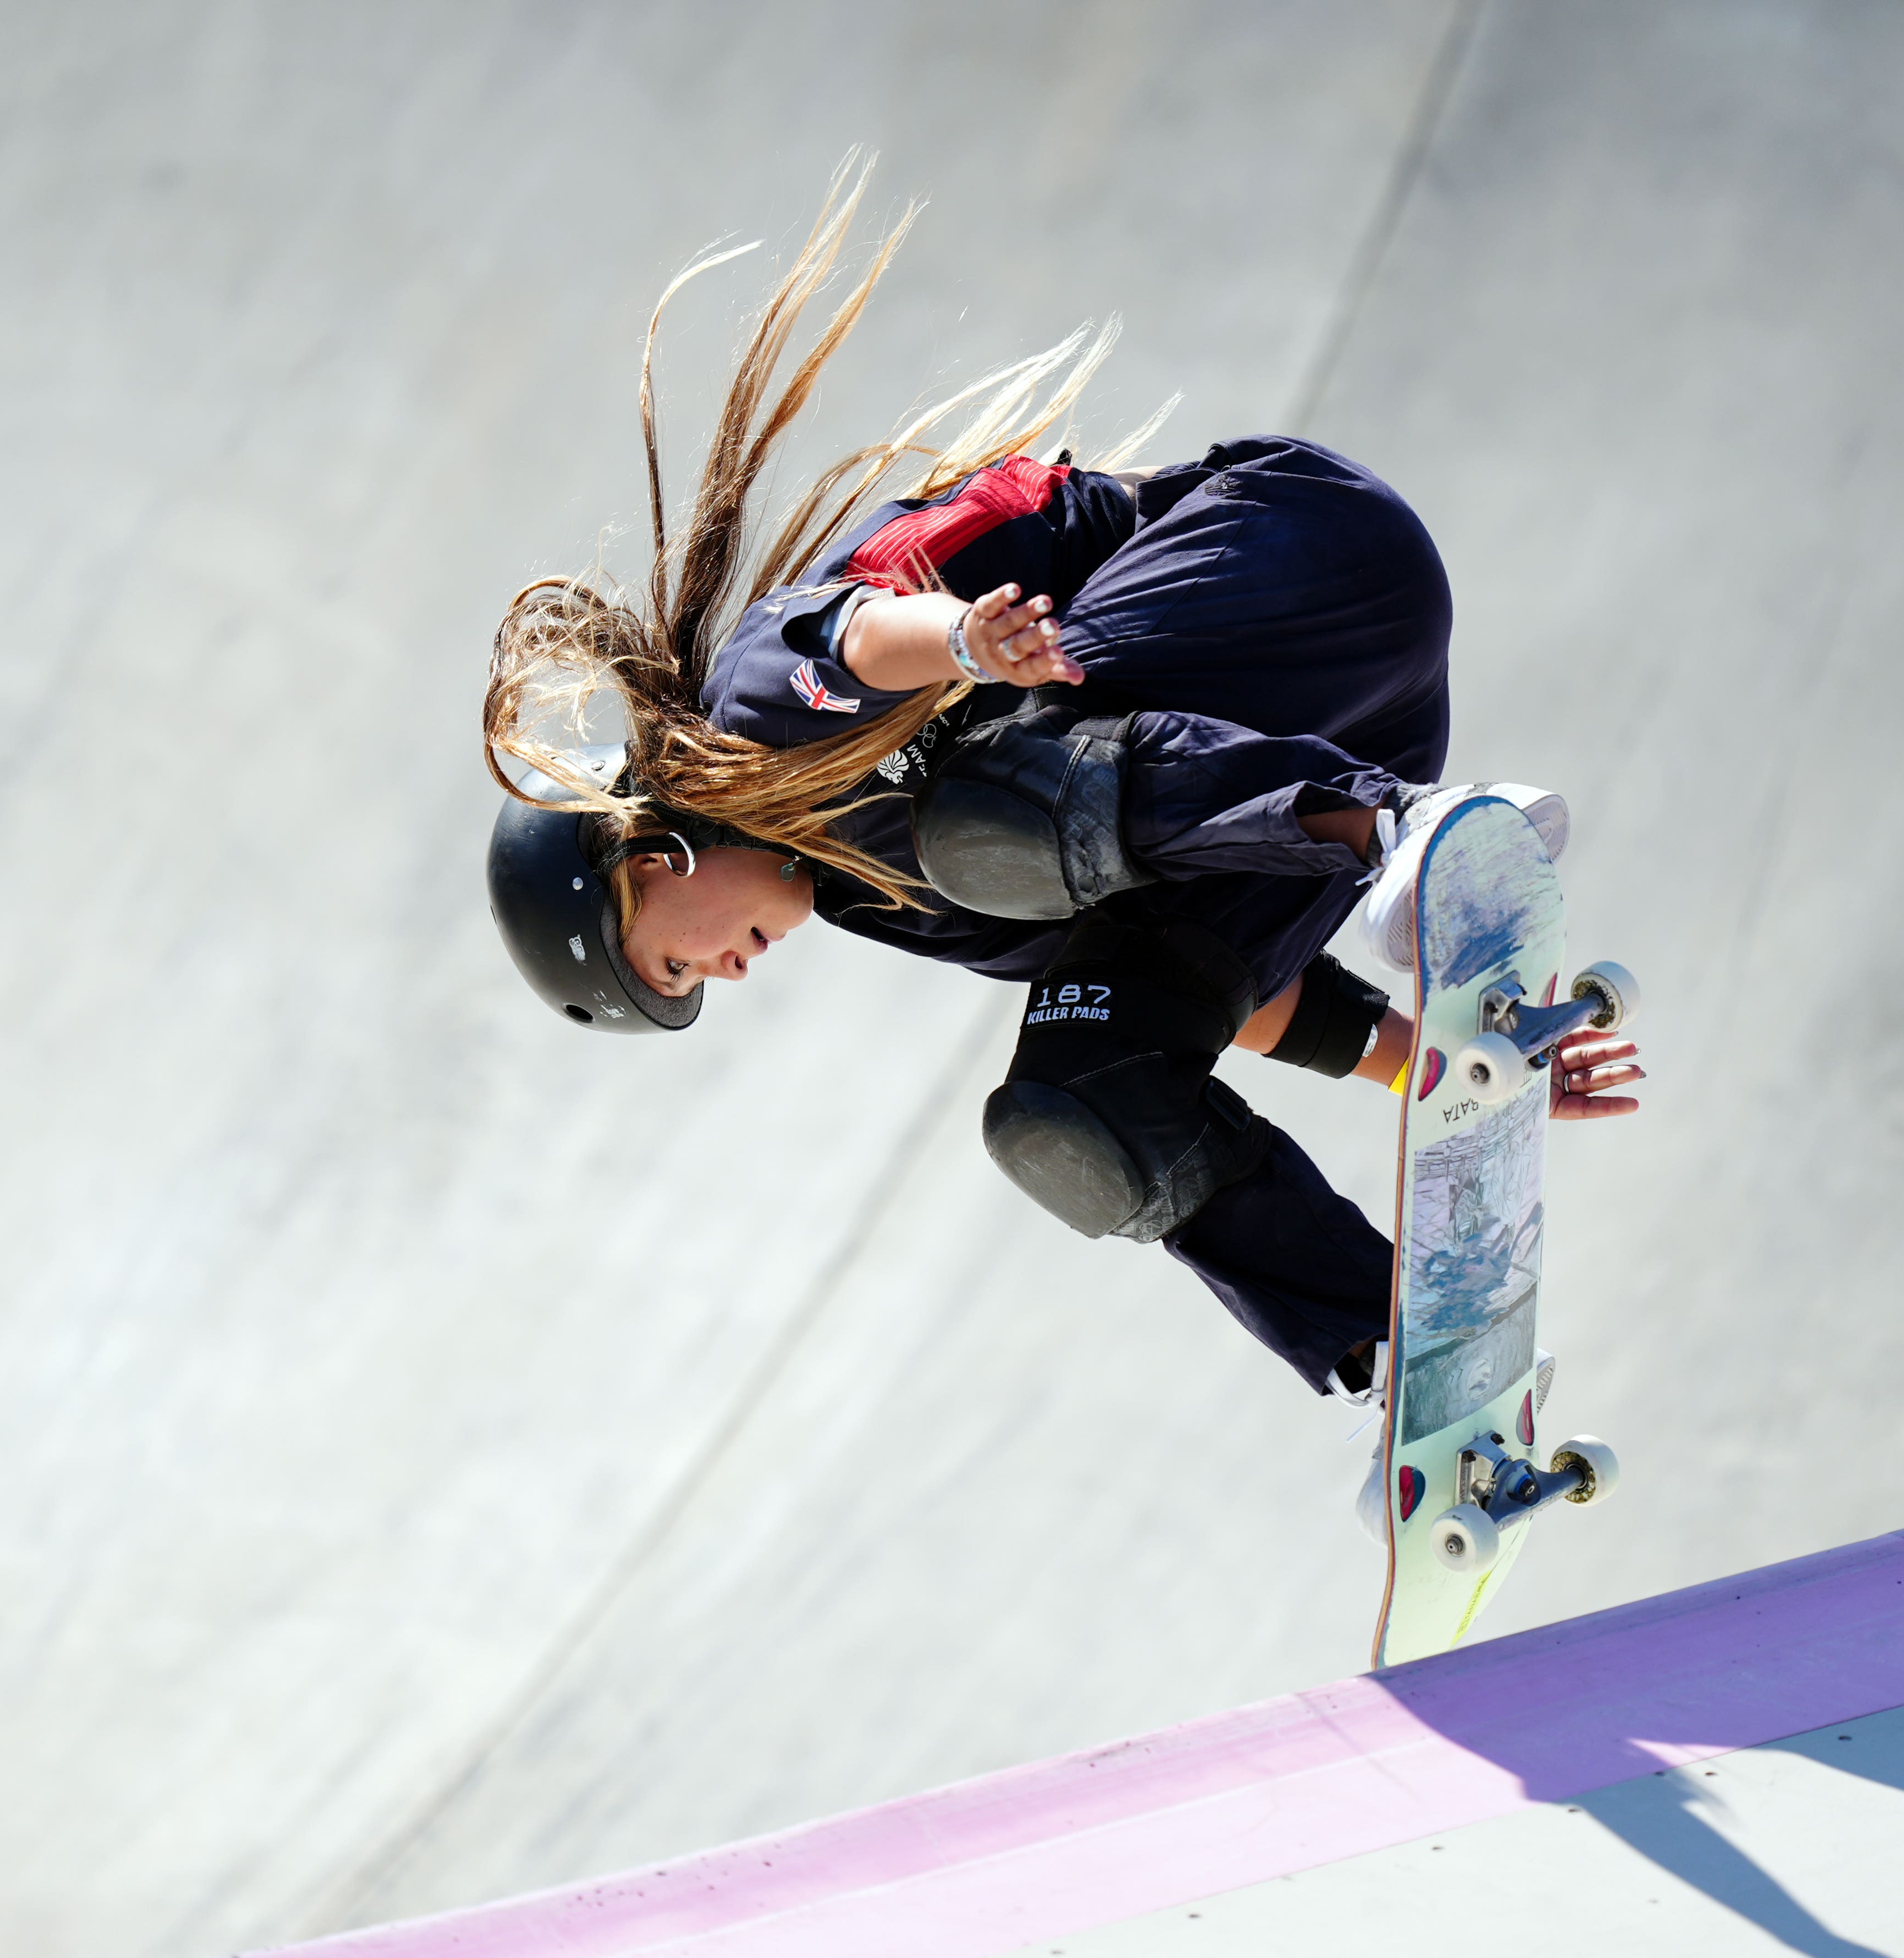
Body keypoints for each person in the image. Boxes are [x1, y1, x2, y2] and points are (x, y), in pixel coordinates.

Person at [481, 174, 1642, 1500]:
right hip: (1339, 732)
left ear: (648, 863)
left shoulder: (749, 718)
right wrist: (1441, 1064)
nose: (725, 979)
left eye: (675, 967)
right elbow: (1218, 984)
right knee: (1080, 1090)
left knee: (990, 813)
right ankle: (1414, 1366)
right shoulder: (887, 898)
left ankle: (1397, 840)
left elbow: (855, 639)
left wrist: (966, 642)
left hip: (1297, 559)